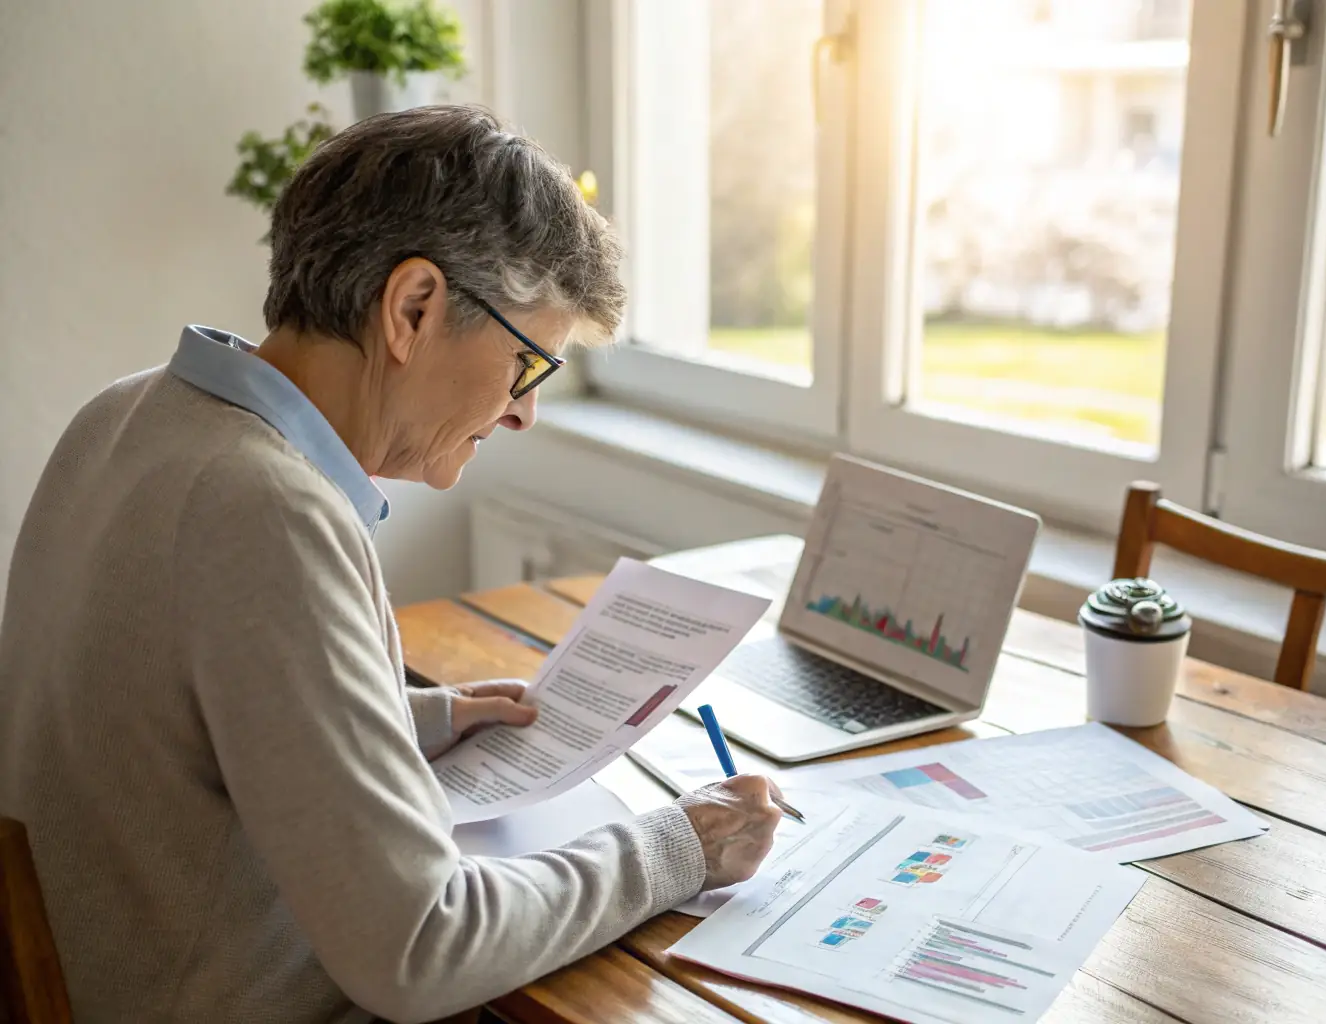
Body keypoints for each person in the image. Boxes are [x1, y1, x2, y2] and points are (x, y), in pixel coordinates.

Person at [0, 106, 783, 1024]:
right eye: (527, 364)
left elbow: (154, 713)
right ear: (412, 308)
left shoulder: (129, 412)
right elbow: (419, 949)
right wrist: (678, 845)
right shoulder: (266, 507)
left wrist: (407, 716)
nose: (522, 412)